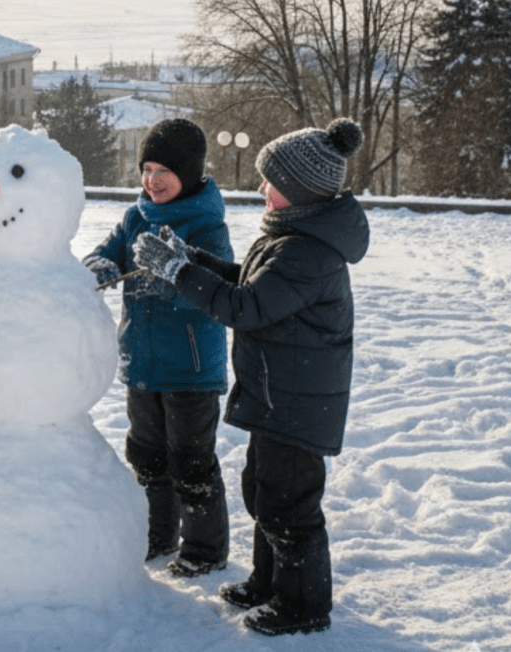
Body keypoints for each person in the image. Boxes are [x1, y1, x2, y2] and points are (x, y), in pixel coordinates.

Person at [132, 118, 369, 636]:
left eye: (271, 181)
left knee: (289, 506)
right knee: (263, 492)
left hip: (298, 401)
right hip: (277, 391)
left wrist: (178, 274)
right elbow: (246, 280)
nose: (262, 188)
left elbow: (248, 307)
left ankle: (303, 606)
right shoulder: (292, 234)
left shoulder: (307, 252)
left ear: (299, 190)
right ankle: (268, 582)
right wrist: (190, 258)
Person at [82, 118, 233, 578]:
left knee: (191, 462)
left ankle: (205, 551)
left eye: (164, 170)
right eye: (147, 169)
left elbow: (215, 292)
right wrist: (100, 266)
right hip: (143, 363)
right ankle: (156, 535)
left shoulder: (206, 227)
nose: (153, 180)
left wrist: (170, 280)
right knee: (147, 456)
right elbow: (104, 250)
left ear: (188, 173)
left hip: (189, 367)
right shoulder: (136, 217)